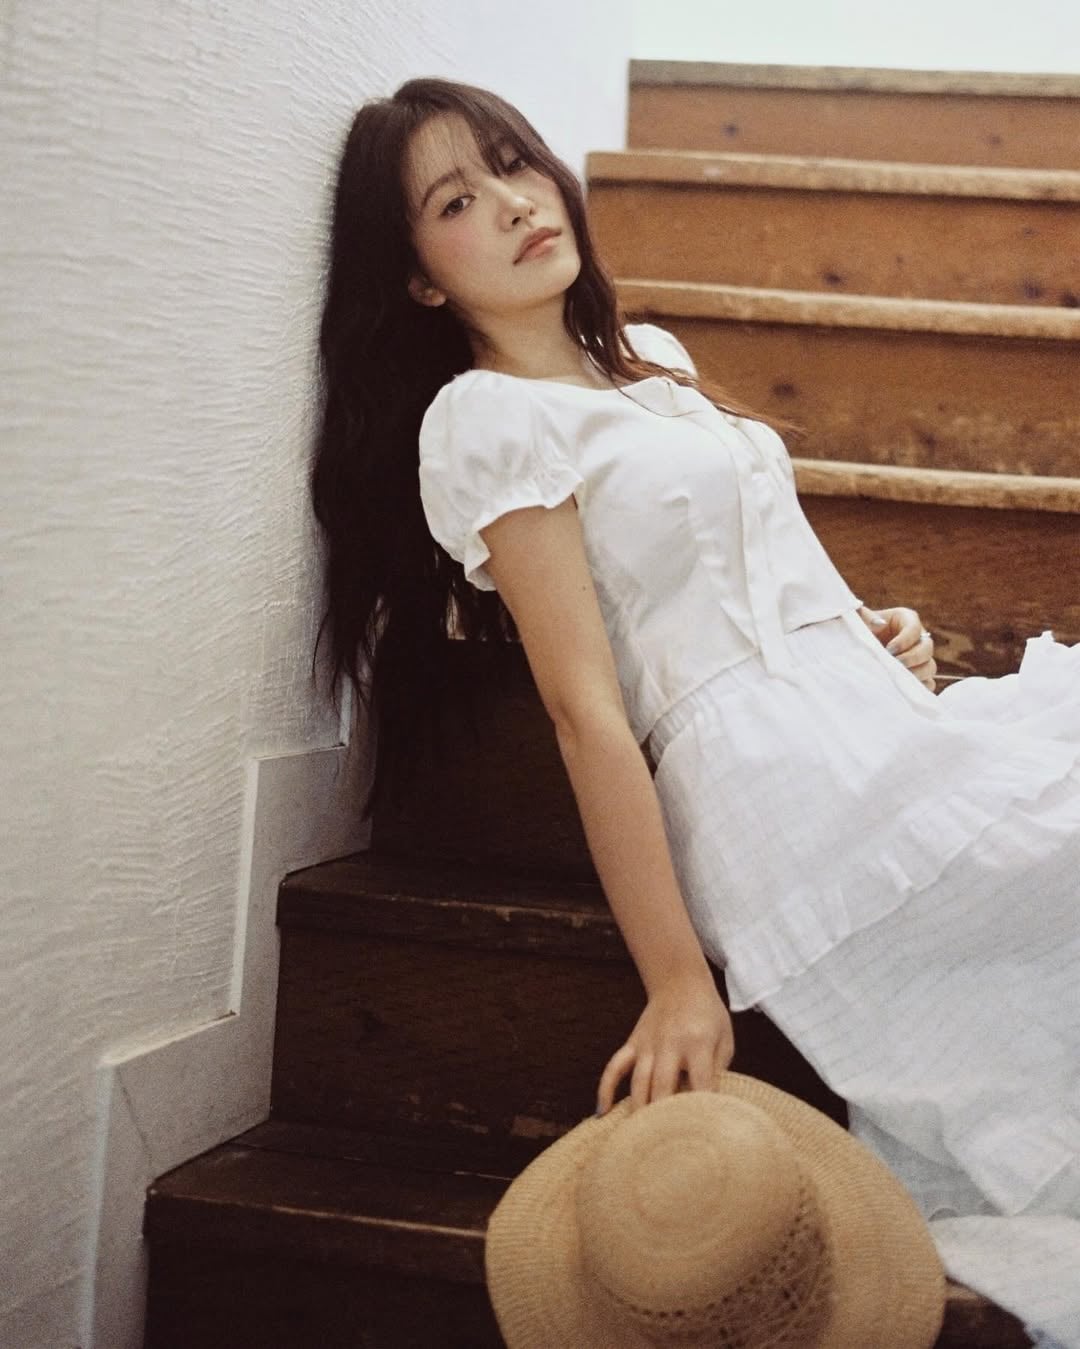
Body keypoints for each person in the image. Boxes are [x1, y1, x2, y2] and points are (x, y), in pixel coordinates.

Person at [310, 77, 1080, 1348]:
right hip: (775, 782)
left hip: (867, 720)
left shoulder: (655, 359)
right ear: (418, 281)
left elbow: (762, 561)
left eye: (514, 163)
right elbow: (585, 709)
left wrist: (871, 626)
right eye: (456, 201)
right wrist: (677, 979)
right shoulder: (489, 419)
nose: (513, 203)